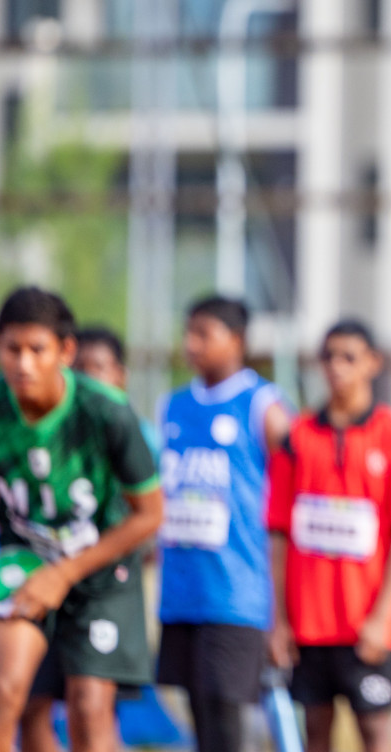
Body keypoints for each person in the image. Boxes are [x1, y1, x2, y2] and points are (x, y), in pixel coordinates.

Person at [0, 287, 163, 752]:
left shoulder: (107, 413)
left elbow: (150, 516)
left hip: (101, 571)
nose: (24, 363)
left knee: (89, 708)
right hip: (24, 561)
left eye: (37, 349)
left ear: (66, 351)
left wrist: (63, 575)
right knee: (4, 694)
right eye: (11, 349)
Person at [267, 320, 391, 752]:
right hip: (308, 626)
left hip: (367, 627)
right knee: (315, 733)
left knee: (375, 732)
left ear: (372, 363)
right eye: (328, 357)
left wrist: (383, 616)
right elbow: (279, 532)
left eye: (348, 357)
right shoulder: (298, 437)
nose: (336, 367)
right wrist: (280, 620)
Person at [156, 297, 292, 752]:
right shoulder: (171, 407)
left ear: (236, 341)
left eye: (204, 334)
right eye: (188, 332)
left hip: (237, 595)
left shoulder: (263, 406)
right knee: (201, 717)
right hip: (183, 592)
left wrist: (281, 609)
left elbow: (290, 498)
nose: (191, 344)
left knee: (230, 717)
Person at [19, 324, 136, 752]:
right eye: (79, 367)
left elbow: (148, 517)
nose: (88, 378)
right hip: (44, 578)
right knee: (29, 704)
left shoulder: (133, 437)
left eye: (99, 368)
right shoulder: (44, 434)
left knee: (91, 705)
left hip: (105, 586)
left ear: (120, 375)